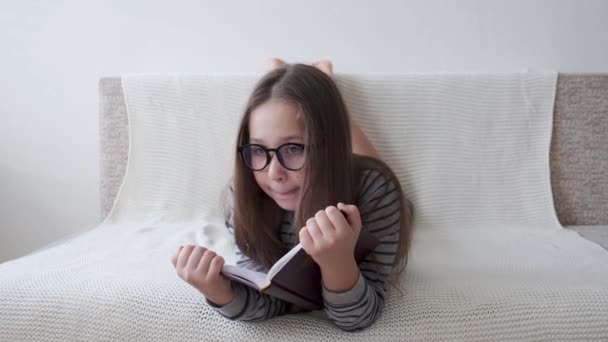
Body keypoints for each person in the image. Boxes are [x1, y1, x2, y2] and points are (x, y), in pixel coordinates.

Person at [171, 59, 413, 331]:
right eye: (259, 149)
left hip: (361, 191)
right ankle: (312, 85)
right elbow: (272, 299)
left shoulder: (376, 191)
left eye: (295, 148)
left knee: (365, 165)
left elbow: (357, 317)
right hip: (333, 172)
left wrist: (338, 263)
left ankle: (325, 82)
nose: (274, 173)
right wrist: (219, 291)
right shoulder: (242, 198)